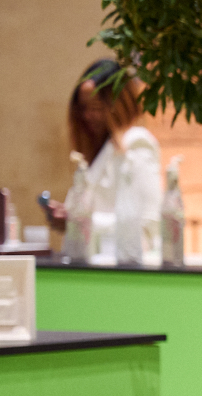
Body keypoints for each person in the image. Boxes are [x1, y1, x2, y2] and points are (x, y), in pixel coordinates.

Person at [47, 59, 162, 254]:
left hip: (120, 271)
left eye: (97, 108)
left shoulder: (137, 145)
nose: (88, 116)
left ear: (119, 105)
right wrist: (65, 219)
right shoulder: (95, 153)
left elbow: (148, 224)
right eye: (83, 108)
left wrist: (81, 222)